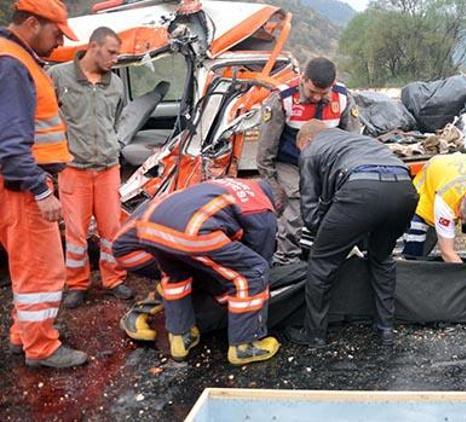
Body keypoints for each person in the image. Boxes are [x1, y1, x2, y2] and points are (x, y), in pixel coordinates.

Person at [0, 0, 89, 368]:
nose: (58, 42)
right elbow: (9, 143)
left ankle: (24, 336)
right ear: (32, 23)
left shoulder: (15, 59)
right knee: (43, 269)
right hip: (21, 186)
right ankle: (42, 348)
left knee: (26, 266)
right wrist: (40, 189)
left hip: (16, 183)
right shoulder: (14, 67)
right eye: (56, 33)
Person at [113, 178, 281, 365]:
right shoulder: (262, 209)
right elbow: (258, 259)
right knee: (253, 271)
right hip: (188, 231)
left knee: (177, 274)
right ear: (276, 205)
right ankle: (245, 345)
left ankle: (180, 337)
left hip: (148, 231)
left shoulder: (229, 185)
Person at [286, 121, 418, 347]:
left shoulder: (310, 149)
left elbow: (309, 210)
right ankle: (385, 329)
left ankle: (314, 335)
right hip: (404, 189)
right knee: (382, 258)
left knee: (322, 263)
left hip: (360, 190)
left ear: (306, 141)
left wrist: (330, 241)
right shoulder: (360, 141)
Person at [49, 26, 133, 308]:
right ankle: (77, 284)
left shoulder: (116, 84)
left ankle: (114, 279)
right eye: (111, 52)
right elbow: (46, 117)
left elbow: (115, 119)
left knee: (112, 229)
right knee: (75, 233)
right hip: (74, 169)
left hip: (108, 168)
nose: (115, 58)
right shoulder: (59, 76)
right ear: (93, 46)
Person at [256, 57, 361, 266]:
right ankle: (288, 259)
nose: (316, 97)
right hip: (290, 161)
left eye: (323, 94)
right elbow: (266, 150)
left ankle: (332, 255)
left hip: (326, 163)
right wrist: (274, 185)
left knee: (334, 205)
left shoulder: (342, 97)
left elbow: (354, 141)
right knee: (293, 204)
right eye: (312, 91)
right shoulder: (282, 99)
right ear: (303, 79)